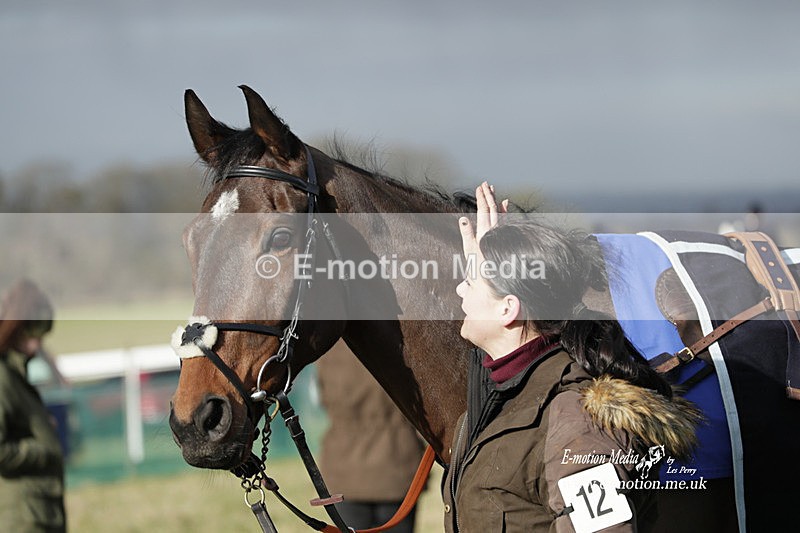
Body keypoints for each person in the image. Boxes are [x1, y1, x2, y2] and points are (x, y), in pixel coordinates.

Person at [442, 183, 703, 532]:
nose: (460, 289)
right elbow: (490, 386)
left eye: (471, 282)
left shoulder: (578, 422)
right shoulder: (506, 396)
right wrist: (497, 255)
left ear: (508, 308)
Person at [316, 341, 426, 532]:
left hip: (344, 468)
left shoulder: (330, 346)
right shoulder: (397, 338)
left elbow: (322, 395)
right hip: (398, 463)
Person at [0, 279, 66, 532]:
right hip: (21, 519)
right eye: (33, 332)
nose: (38, 345)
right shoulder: (4, 376)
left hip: (37, 514)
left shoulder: (16, 373)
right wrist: (42, 449)